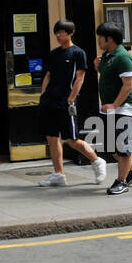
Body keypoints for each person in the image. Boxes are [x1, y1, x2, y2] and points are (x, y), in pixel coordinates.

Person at [37, 19, 107, 187]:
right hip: (49, 101)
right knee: (52, 138)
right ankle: (58, 174)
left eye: (62, 32)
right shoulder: (54, 53)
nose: (58, 35)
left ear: (70, 33)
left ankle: (97, 161)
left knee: (71, 139)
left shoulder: (78, 53)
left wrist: (71, 98)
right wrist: (43, 95)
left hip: (65, 102)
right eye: (57, 32)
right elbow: (48, 75)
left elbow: (80, 77)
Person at [94, 22, 132, 195]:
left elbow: (127, 85)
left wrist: (115, 105)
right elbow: (110, 78)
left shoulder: (123, 57)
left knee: (122, 145)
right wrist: (97, 68)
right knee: (108, 145)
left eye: (100, 37)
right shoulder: (107, 55)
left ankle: (121, 182)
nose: (98, 40)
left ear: (110, 39)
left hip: (124, 109)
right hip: (110, 108)